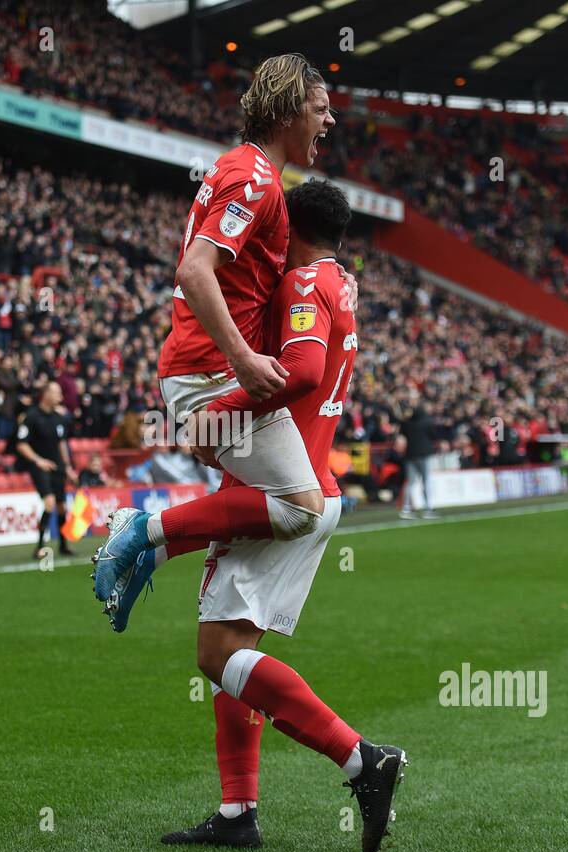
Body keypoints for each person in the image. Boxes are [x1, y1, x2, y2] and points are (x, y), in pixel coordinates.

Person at [106, 180, 406, 852]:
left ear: (290, 227)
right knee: (231, 651)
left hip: (283, 490)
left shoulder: (304, 281)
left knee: (218, 655)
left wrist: (225, 407)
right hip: (306, 484)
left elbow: (302, 368)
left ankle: (362, 759)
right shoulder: (339, 281)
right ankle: (237, 809)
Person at [92, 54, 343, 606]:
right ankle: (144, 532)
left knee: (276, 502)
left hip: (204, 369)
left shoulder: (251, 174)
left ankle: (150, 550)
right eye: (321, 109)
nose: (329, 122)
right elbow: (193, 269)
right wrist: (245, 361)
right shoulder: (253, 179)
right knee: (303, 507)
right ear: (286, 111)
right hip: (210, 368)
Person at [16, 381, 73, 559]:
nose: (61, 397)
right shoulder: (32, 417)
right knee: (49, 502)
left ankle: (63, 545)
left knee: (62, 507)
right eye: (57, 393)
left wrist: (69, 467)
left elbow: (62, 443)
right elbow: (21, 444)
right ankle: (40, 546)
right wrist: (38, 460)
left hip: (57, 467)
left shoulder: (59, 418)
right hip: (40, 467)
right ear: (46, 394)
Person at [399, 402, 436, 518]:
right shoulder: (427, 422)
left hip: (410, 455)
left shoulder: (407, 423)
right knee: (426, 481)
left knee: (410, 482)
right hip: (424, 455)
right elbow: (433, 435)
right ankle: (427, 508)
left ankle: (406, 508)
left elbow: (402, 430)